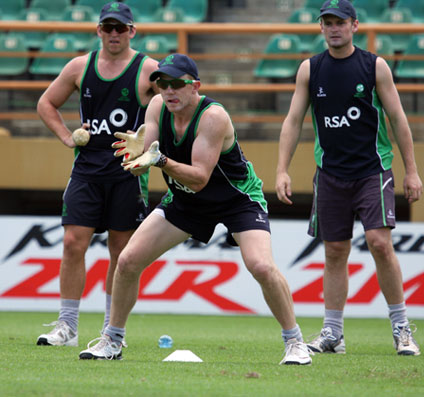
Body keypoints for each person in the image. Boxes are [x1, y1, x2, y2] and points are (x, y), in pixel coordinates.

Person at [78, 53, 312, 365]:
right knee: (128, 260)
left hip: (236, 199)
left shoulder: (213, 116)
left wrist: (157, 160)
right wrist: (137, 153)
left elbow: (200, 177)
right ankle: (112, 340)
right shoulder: (158, 106)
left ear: (195, 86)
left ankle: (295, 343)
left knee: (261, 266)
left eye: (177, 83)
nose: (169, 90)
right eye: (162, 83)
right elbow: (147, 147)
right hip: (186, 200)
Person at [275, 0, 423, 356]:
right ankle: (333, 333)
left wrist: (412, 170)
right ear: (321, 27)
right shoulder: (310, 69)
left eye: (340, 22)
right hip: (329, 175)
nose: (333, 28)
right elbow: (293, 121)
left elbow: (398, 119)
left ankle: (402, 329)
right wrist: (282, 168)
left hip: (373, 170)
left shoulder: (375, 66)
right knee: (335, 251)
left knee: (379, 243)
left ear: (354, 25)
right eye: (327, 22)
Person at [36, 2, 159, 346]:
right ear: (98, 31)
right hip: (87, 170)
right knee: (73, 243)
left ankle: (111, 331)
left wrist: (149, 141)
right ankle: (68, 326)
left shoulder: (147, 69)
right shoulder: (80, 66)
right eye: (108, 28)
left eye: (121, 28)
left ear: (132, 31)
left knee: (121, 253)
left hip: (128, 173)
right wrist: (66, 137)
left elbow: (174, 105)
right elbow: (46, 103)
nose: (114, 34)